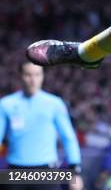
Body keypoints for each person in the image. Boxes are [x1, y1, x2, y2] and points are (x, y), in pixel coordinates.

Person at [0, 62, 83, 190]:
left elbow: (68, 138)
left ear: (42, 76)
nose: (33, 80)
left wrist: (75, 171)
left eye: (37, 74)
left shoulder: (54, 104)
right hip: (15, 172)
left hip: (47, 172)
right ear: (20, 76)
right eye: (28, 75)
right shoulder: (6, 104)